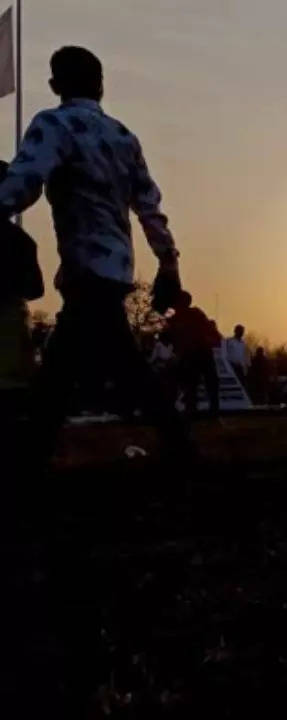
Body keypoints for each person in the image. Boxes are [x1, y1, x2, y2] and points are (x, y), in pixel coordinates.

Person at [4, 46, 188, 462]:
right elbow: (149, 207)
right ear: (101, 84)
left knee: (65, 368)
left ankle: (30, 456)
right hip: (115, 265)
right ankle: (176, 443)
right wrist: (168, 263)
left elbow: (24, 182)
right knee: (103, 361)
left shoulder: (54, 124)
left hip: (85, 266)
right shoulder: (123, 136)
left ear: (55, 85)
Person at [168, 291, 221, 418]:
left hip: (202, 352)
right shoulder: (175, 319)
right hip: (190, 355)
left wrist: (211, 339)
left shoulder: (195, 314)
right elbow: (173, 339)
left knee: (208, 382)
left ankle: (211, 409)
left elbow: (211, 331)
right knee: (191, 383)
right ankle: (192, 409)